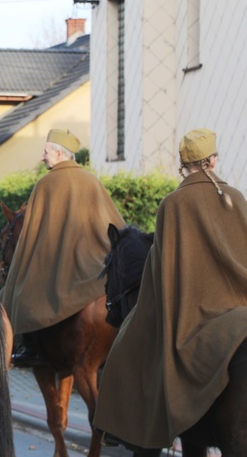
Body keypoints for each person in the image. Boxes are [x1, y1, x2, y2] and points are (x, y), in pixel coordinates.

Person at [94, 129, 247, 449]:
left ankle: (129, 430)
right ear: (213, 160)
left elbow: (161, 272)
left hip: (193, 315)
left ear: (183, 164)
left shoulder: (173, 204)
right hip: (240, 306)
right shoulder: (236, 198)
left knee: (125, 350)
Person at [0, 129, 124, 367]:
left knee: (26, 293)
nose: (42, 157)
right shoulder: (92, 180)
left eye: (45, 152)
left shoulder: (46, 184)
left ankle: (31, 347)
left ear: (58, 153)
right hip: (95, 270)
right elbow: (114, 225)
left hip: (62, 272)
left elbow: (33, 239)